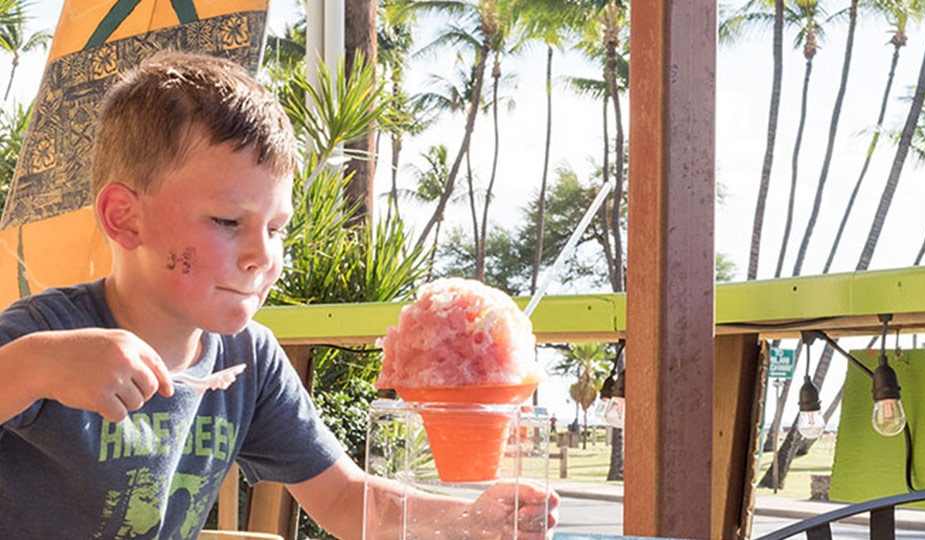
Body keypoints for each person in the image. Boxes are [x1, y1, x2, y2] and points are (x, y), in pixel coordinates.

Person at [0, 50, 558, 539]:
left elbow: (343, 500)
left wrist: (473, 519)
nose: (261, 256)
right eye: (226, 221)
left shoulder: (250, 360)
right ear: (125, 219)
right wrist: (31, 367)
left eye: (275, 228)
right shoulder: (45, 336)